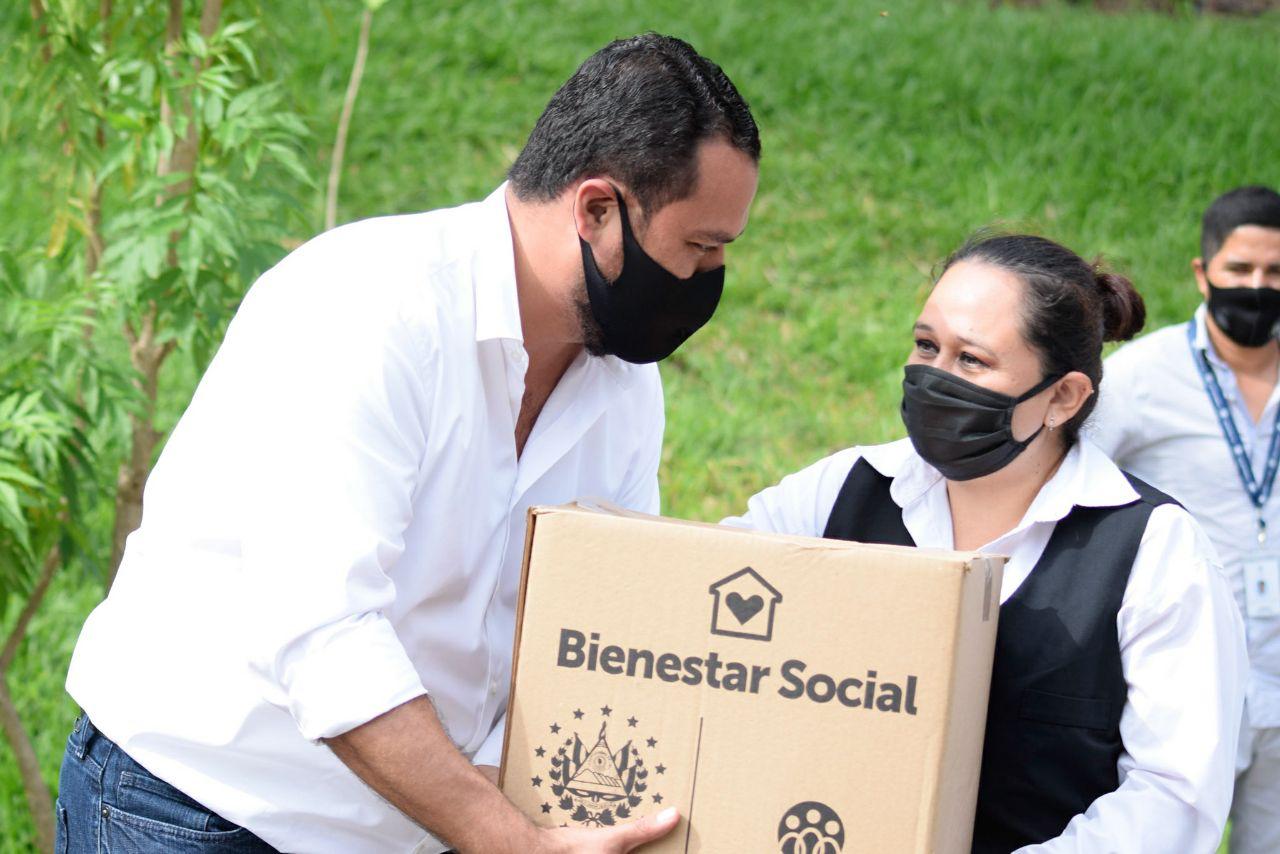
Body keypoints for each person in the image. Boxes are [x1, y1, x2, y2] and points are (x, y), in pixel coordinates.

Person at [57, 33, 760, 854]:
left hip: (420, 824)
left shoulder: (624, 389)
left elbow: (596, 633)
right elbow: (324, 633)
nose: (711, 276)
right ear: (597, 209)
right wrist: (510, 841)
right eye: (700, 246)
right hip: (202, 808)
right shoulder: (368, 308)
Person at [723, 234, 1247, 852]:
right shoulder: (839, 491)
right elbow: (701, 616)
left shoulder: (1155, 552)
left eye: (971, 360)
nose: (934, 377)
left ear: (1063, 397)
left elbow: (1175, 798)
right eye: (926, 346)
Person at [1091, 185, 1280, 854]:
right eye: (1240, 269)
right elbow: (1067, 481)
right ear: (1203, 273)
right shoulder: (1142, 377)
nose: (1257, 286)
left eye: (1275, 272)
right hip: (1190, 675)